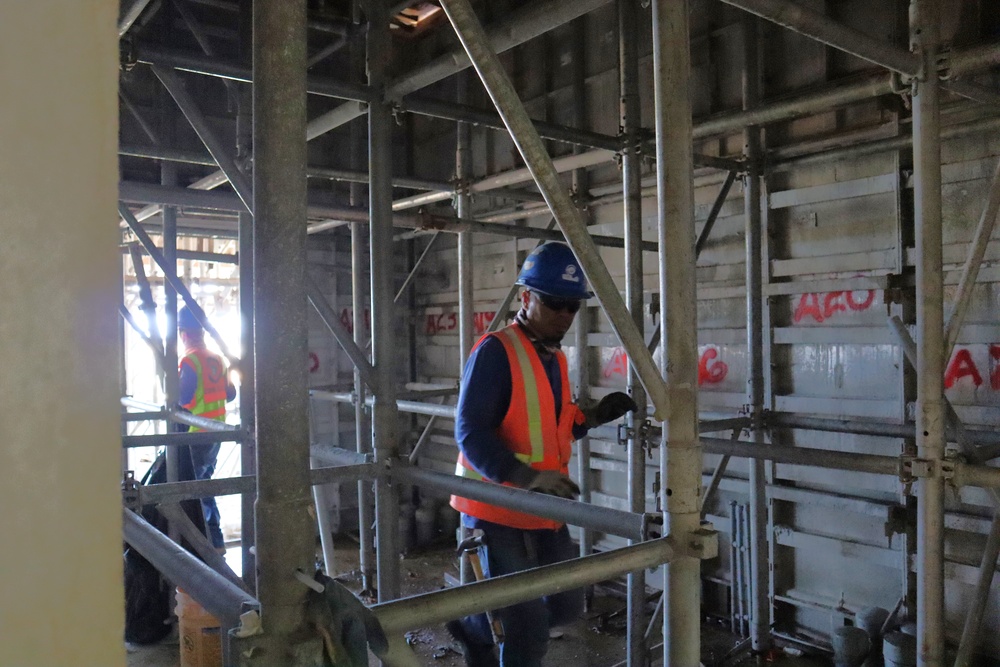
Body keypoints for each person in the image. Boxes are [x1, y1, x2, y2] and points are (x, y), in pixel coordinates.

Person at [446, 242, 638, 667]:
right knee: (527, 630)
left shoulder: (552, 357)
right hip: (497, 508)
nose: (565, 316)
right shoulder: (496, 351)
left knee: (569, 606)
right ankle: (480, 631)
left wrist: (595, 417)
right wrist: (523, 476)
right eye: (555, 304)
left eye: (573, 306)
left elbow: (553, 425)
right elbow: (470, 432)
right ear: (526, 297)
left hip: (543, 507)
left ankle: (473, 624)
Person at [177, 305, 236, 553]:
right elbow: (230, 394)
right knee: (204, 484)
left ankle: (213, 541)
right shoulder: (216, 358)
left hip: (196, 434)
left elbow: (183, 399)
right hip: (215, 432)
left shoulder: (190, 361)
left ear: (182, 333)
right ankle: (213, 541)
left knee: (198, 489)